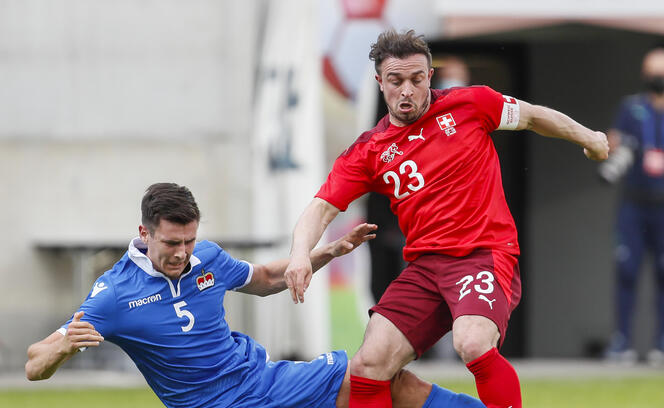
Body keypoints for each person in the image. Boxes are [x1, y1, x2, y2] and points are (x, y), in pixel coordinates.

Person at [284, 29, 609, 408]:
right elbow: (321, 207)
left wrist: (591, 138)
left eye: (416, 79)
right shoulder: (368, 151)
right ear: (380, 83)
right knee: (369, 363)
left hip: (482, 254)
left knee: (471, 341)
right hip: (424, 268)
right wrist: (299, 254)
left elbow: (534, 117)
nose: (407, 90)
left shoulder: (471, 104)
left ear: (429, 78)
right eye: (396, 80)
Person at [25, 183, 485, 408]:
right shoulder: (113, 295)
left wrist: (322, 253)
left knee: (384, 377)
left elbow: (264, 278)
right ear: (144, 233)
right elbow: (33, 365)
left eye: (189, 240)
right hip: (217, 404)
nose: (183, 253)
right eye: (171, 244)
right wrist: (63, 346)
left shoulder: (204, 257)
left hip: (263, 378)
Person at [602, 46, 664, 366]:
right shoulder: (632, 107)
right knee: (626, 270)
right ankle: (622, 341)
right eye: (652, 72)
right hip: (634, 204)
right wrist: (612, 146)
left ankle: (661, 344)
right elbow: (614, 142)